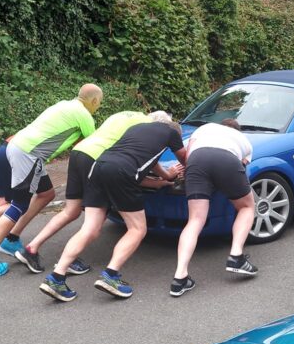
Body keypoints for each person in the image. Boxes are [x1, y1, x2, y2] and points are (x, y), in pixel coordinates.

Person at [39, 119, 186, 302]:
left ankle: (57, 277)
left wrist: (165, 176)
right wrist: (184, 173)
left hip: (99, 165)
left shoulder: (137, 128)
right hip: (121, 171)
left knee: (89, 228)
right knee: (137, 229)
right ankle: (111, 275)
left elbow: (150, 160)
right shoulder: (172, 133)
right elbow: (184, 158)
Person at [0, 84, 102, 278]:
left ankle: (11, 239)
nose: (98, 108)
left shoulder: (64, 105)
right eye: (99, 104)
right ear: (94, 101)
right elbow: (93, 147)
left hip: (20, 147)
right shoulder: (84, 115)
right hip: (28, 154)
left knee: (46, 193)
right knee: (18, 204)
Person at [15, 110, 172, 273]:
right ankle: (68, 261)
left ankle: (32, 248)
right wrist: (164, 177)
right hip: (98, 159)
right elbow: (146, 157)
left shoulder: (124, 114)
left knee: (71, 211)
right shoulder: (148, 126)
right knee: (95, 219)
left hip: (79, 153)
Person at [170, 119, 257, 297]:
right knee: (246, 207)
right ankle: (236, 257)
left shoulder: (205, 128)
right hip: (227, 159)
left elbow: (186, 157)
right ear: (236, 130)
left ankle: (179, 277)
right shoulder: (244, 140)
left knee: (195, 219)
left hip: (196, 160)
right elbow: (240, 168)